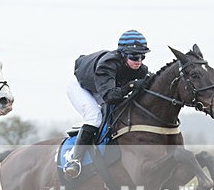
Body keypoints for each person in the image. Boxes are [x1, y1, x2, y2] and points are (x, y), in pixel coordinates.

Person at [64, 29, 151, 178]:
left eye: (142, 56)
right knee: (94, 117)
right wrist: (130, 86)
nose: (139, 61)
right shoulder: (108, 64)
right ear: (123, 54)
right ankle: (74, 160)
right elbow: (110, 96)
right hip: (82, 88)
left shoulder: (140, 68)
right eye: (134, 56)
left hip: (103, 88)